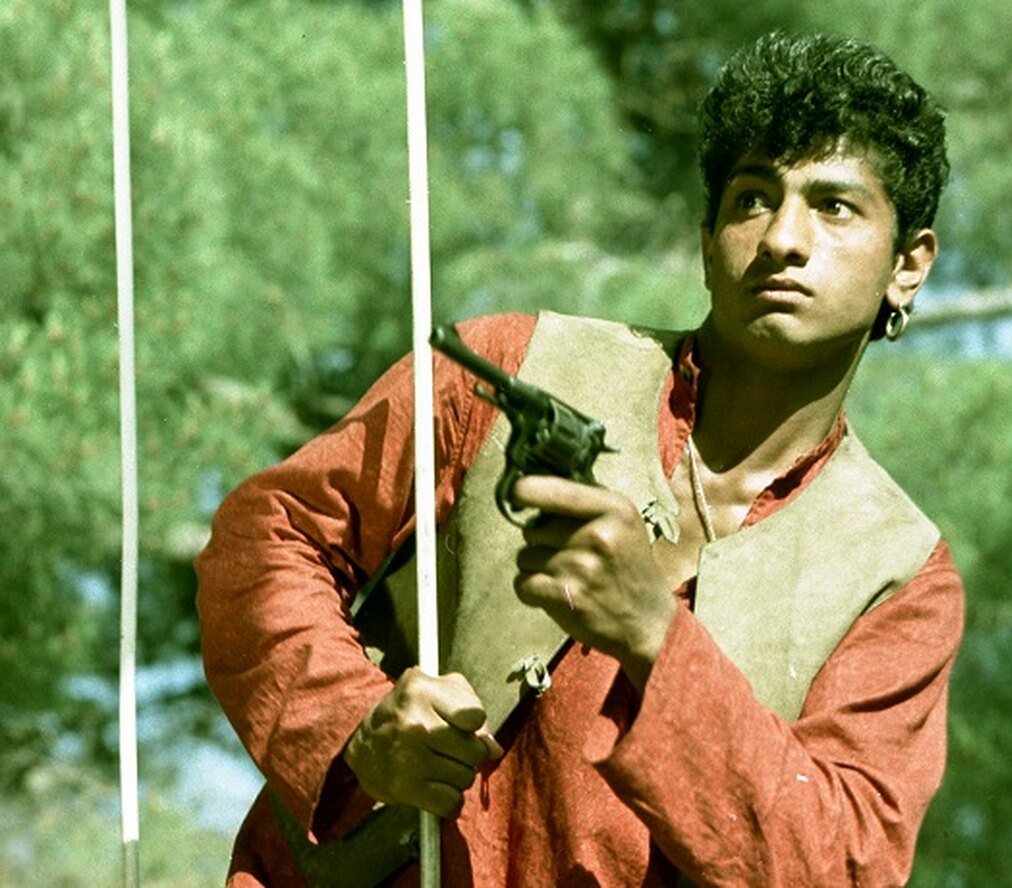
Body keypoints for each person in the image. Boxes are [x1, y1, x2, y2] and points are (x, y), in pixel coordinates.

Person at [197, 30, 964, 887]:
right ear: (707, 238)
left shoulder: (901, 576)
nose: (783, 237)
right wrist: (353, 726)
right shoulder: (508, 368)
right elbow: (268, 536)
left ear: (908, 266)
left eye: (834, 206)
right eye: (752, 198)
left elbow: (842, 865)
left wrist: (654, 636)